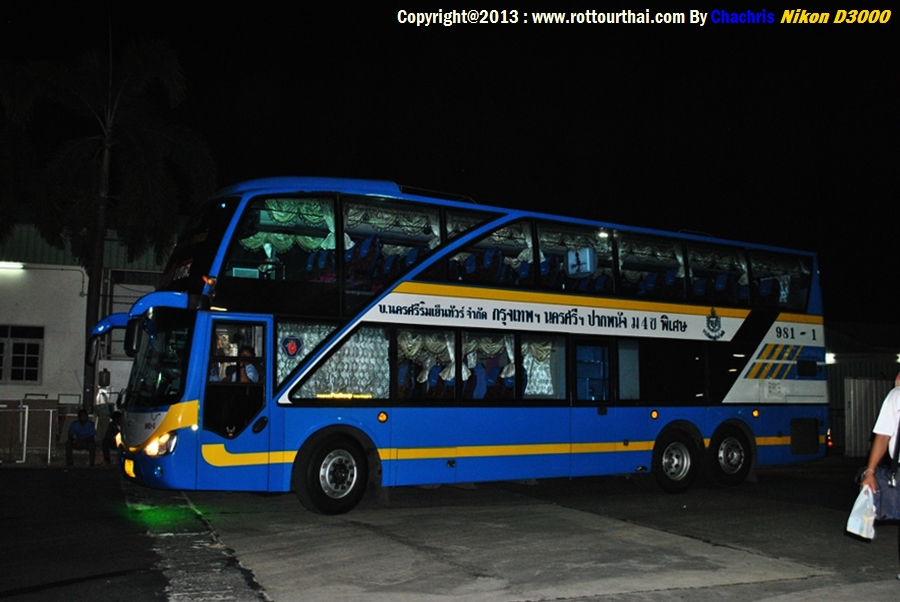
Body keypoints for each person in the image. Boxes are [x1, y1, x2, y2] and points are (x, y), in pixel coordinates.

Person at [860, 371, 900, 578]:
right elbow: (883, 437)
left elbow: (883, 437)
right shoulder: (896, 397)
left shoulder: (896, 396)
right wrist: (870, 471)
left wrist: (870, 471)